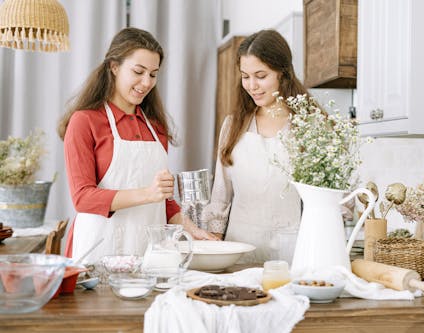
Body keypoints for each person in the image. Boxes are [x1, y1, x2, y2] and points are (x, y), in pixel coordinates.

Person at [58, 27, 216, 264]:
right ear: (114, 67)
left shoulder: (155, 127)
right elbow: (83, 197)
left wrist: (191, 228)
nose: (146, 82)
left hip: (147, 249)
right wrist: (147, 194)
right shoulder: (85, 121)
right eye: (138, 71)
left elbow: (163, 198)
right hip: (99, 248)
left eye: (153, 74)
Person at [203, 30, 309, 263]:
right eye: (245, 76)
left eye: (261, 76)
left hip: (292, 251)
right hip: (239, 250)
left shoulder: (308, 127)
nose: (252, 86)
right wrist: (213, 248)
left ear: (283, 73)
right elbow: (221, 195)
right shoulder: (233, 126)